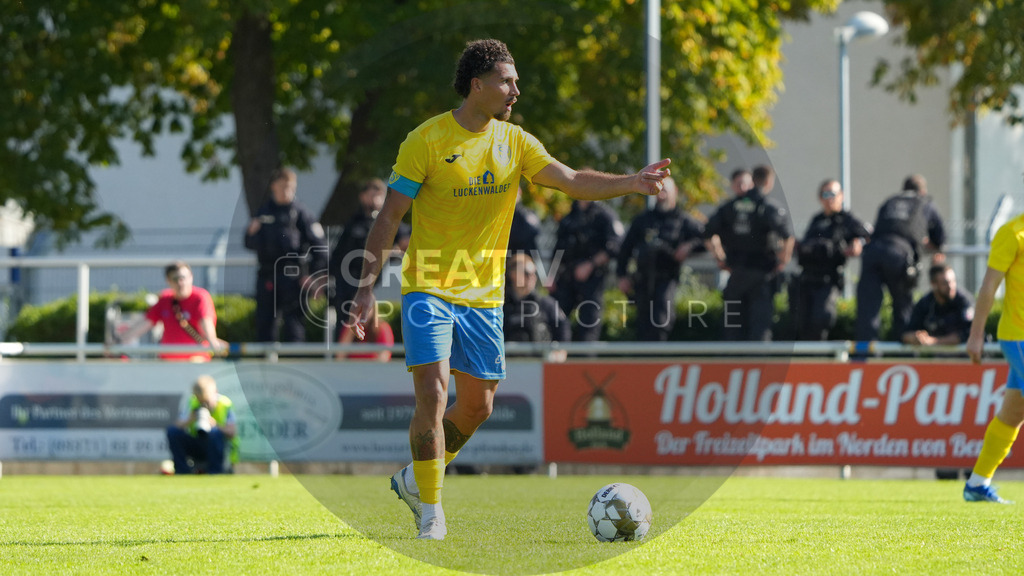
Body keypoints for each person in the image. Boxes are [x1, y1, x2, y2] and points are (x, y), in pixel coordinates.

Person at [347, 39, 671, 540]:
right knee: (433, 392)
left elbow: (570, 180)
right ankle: (431, 511)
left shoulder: (515, 142)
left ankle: (415, 478)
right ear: (477, 85)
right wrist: (366, 287)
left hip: (483, 296)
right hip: (428, 286)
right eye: (507, 81)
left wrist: (632, 181)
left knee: (478, 406)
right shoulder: (426, 140)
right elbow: (390, 216)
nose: (516, 90)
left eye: (516, 81)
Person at [963, 212, 1024, 504]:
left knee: (1012, 414)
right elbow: (989, 286)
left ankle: (977, 483)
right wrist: (976, 335)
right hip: (1019, 336)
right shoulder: (1012, 233)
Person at [704, 164, 794, 341]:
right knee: (760, 325)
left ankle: (731, 358)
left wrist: (720, 258)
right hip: (762, 274)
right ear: (768, 182)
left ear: (753, 181)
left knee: (732, 325)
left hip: (736, 274)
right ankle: (757, 359)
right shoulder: (768, 207)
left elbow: (707, 232)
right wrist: (783, 260)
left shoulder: (730, 207)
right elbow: (787, 235)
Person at [855, 174, 946, 342]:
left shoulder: (890, 202)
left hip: (873, 253)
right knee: (903, 308)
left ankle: (866, 352)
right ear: (923, 191)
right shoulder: (924, 202)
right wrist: (932, 245)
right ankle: (903, 352)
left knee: (868, 308)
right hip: (899, 255)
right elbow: (940, 236)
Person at [245, 167, 328, 343]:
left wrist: (312, 276)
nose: (287, 191)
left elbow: (320, 248)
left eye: (291, 187)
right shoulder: (264, 212)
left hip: (294, 278)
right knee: (265, 324)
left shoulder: (301, 213)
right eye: (283, 186)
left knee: (294, 326)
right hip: (268, 275)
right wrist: (250, 234)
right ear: (274, 186)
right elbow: (249, 243)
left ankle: (295, 359)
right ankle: (266, 360)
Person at [616, 176, 705, 341]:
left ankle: (658, 353)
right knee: (643, 323)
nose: (661, 195)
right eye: (658, 191)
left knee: (661, 319)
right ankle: (644, 356)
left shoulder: (683, 220)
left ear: (675, 192)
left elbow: (705, 239)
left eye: (664, 191)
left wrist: (689, 246)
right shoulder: (643, 219)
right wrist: (622, 275)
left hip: (666, 278)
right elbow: (625, 249)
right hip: (643, 279)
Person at [329, 178, 408, 340]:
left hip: (373, 286)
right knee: (344, 327)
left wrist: (394, 250)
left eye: (379, 195)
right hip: (347, 284)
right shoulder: (353, 222)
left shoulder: (387, 222)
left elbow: (406, 240)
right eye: (372, 195)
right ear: (363, 196)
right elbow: (338, 255)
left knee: (371, 327)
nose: (375, 200)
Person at [792, 179, 871, 340]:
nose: (829, 199)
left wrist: (858, 243)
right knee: (801, 323)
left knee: (821, 318)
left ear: (841, 196)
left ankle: (820, 354)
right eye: (825, 194)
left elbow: (869, 236)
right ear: (820, 198)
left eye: (833, 194)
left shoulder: (847, 219)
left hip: (828, 280)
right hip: (807, 278)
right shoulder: (817, 219)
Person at [112, 261, 223, 361]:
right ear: (168, 281)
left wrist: (212, 341)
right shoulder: (165, 299)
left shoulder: (200, 297)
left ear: (191, 277)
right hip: (168, 362)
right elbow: (144, 324)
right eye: (175, 279)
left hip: (195, 360)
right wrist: (117, 342)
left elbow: (206, 324)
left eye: (183, 278)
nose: (181, 283)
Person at [550, 198, 624, 342]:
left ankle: (586, 355)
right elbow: (558, 248)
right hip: (567, 277)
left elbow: (616, 245)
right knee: (557, 320)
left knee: (589, 323)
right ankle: (558, 353)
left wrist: (590, 264)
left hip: (593, 278)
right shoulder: (570, 217)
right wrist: (551, 275)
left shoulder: (605, 215)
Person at [504, 252, 570, 362]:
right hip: (509, 365)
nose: (532, 277)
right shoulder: (502, 305)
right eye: (527, 273)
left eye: (534, 273)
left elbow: (563, 327)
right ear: (513, 274)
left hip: (540, 364)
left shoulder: (546, 304)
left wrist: (561, 351)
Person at [166, 375, 238, 474]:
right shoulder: (192, 402)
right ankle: (182, 471)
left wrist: (215, 425)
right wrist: (190, 420)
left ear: (215, 392)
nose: (204, 405)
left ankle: (215, 472)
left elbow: (232, 432)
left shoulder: (225, 404)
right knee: (173, 432)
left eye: (206, 401)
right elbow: (177, 426)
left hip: (219, 448)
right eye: (201, 401)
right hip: (197, 443)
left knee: (215, 433)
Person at [902, 265, 974, 346]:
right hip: (936, 354)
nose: (951, 286)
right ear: (933, 284)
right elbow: (906, 333)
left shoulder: (964, 301)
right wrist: (916, 337)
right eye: (945, 283)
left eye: (953, 281)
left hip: (964, 354)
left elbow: (969, 333)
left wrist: (934, 341)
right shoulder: (925, 303)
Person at [508, 187, 542, 258]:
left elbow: (534, 231)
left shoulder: (526, 213)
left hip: (525, 254)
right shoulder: (504, 215)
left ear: (520, 193)